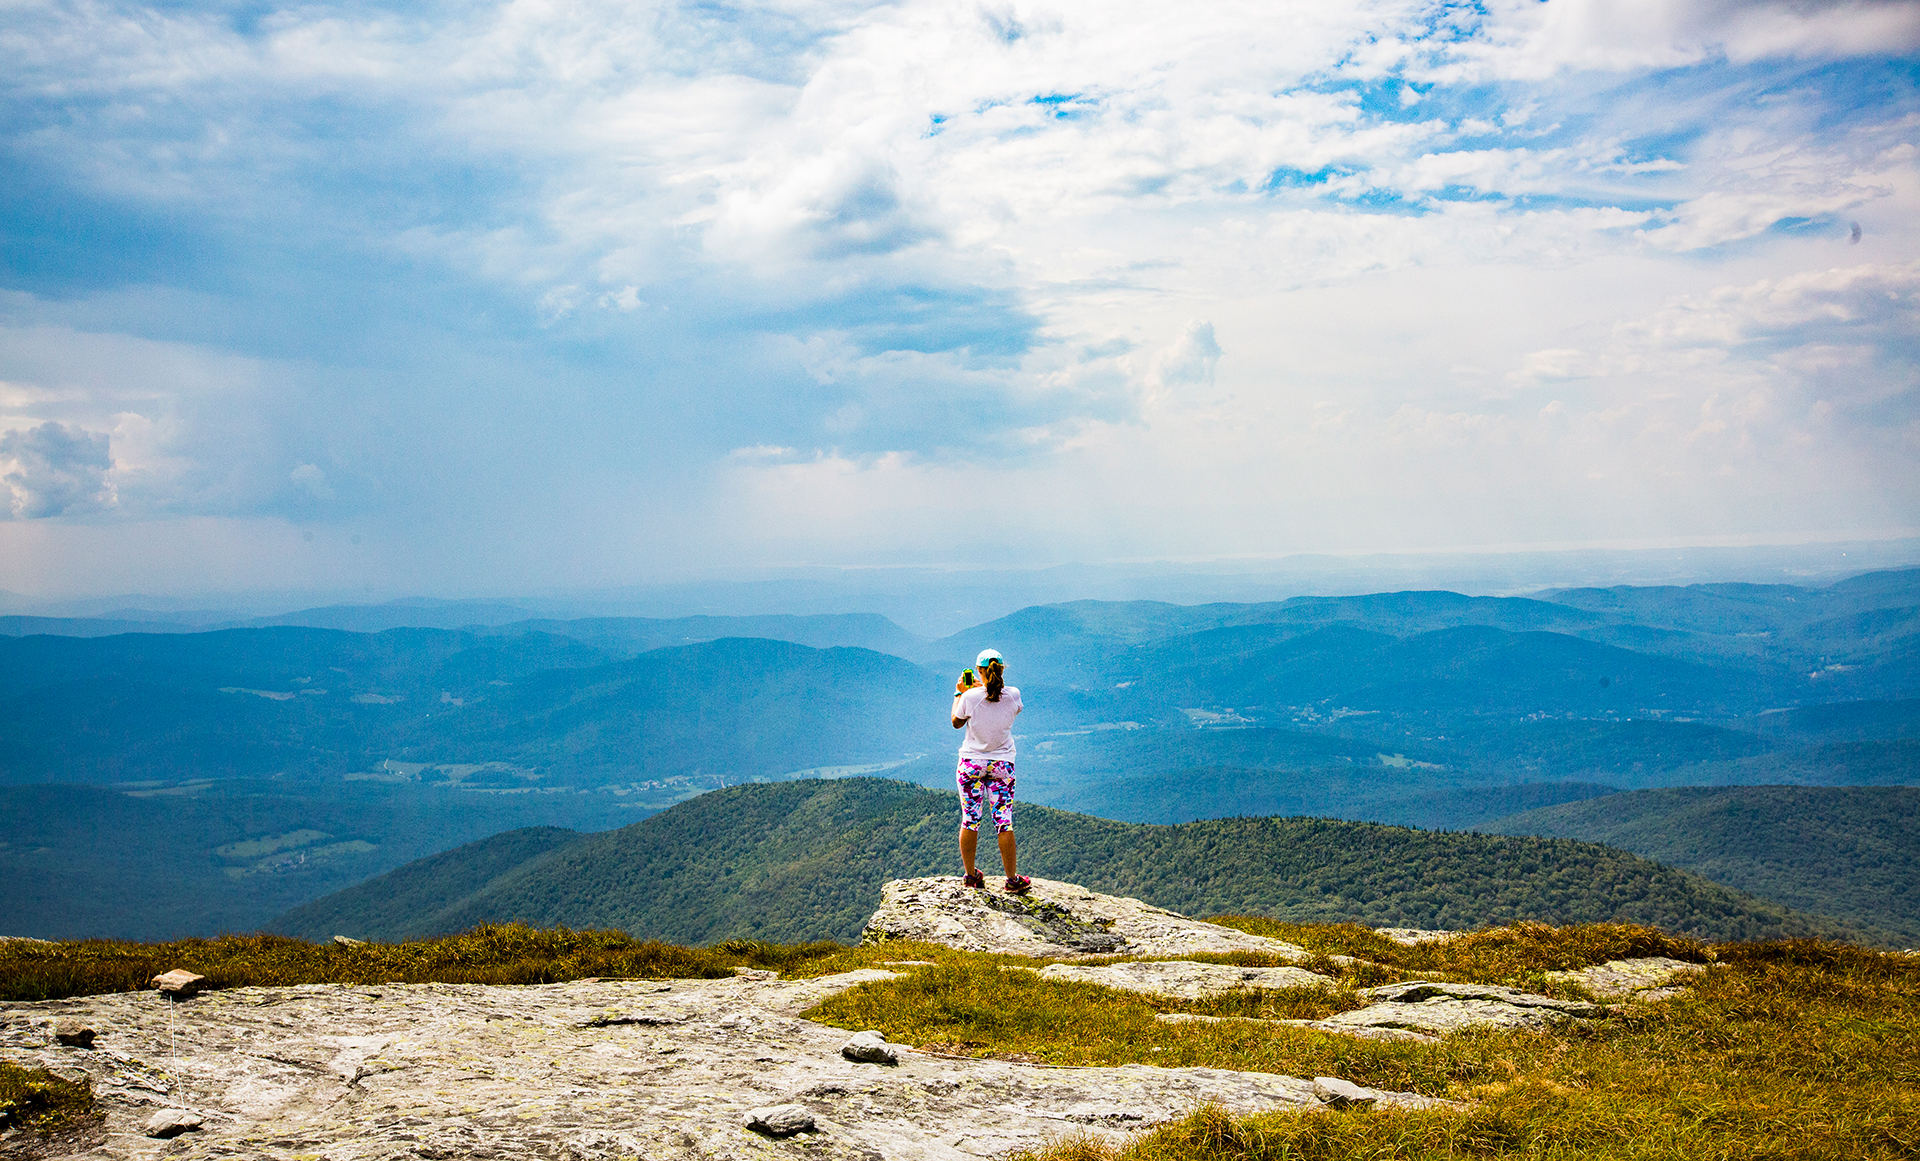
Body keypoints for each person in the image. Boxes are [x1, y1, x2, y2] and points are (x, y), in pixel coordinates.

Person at [951, 648, 1028, 894]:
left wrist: (959, 693)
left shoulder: (970, 697)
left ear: (979, 671)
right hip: (1002, 764)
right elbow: (1009, 709)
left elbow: (956, 721)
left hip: (971, 763)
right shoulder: (1014, 695)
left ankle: (971, 876)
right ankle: (1012, 880)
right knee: (1004, 822)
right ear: (1002, 669)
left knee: (970, 819)